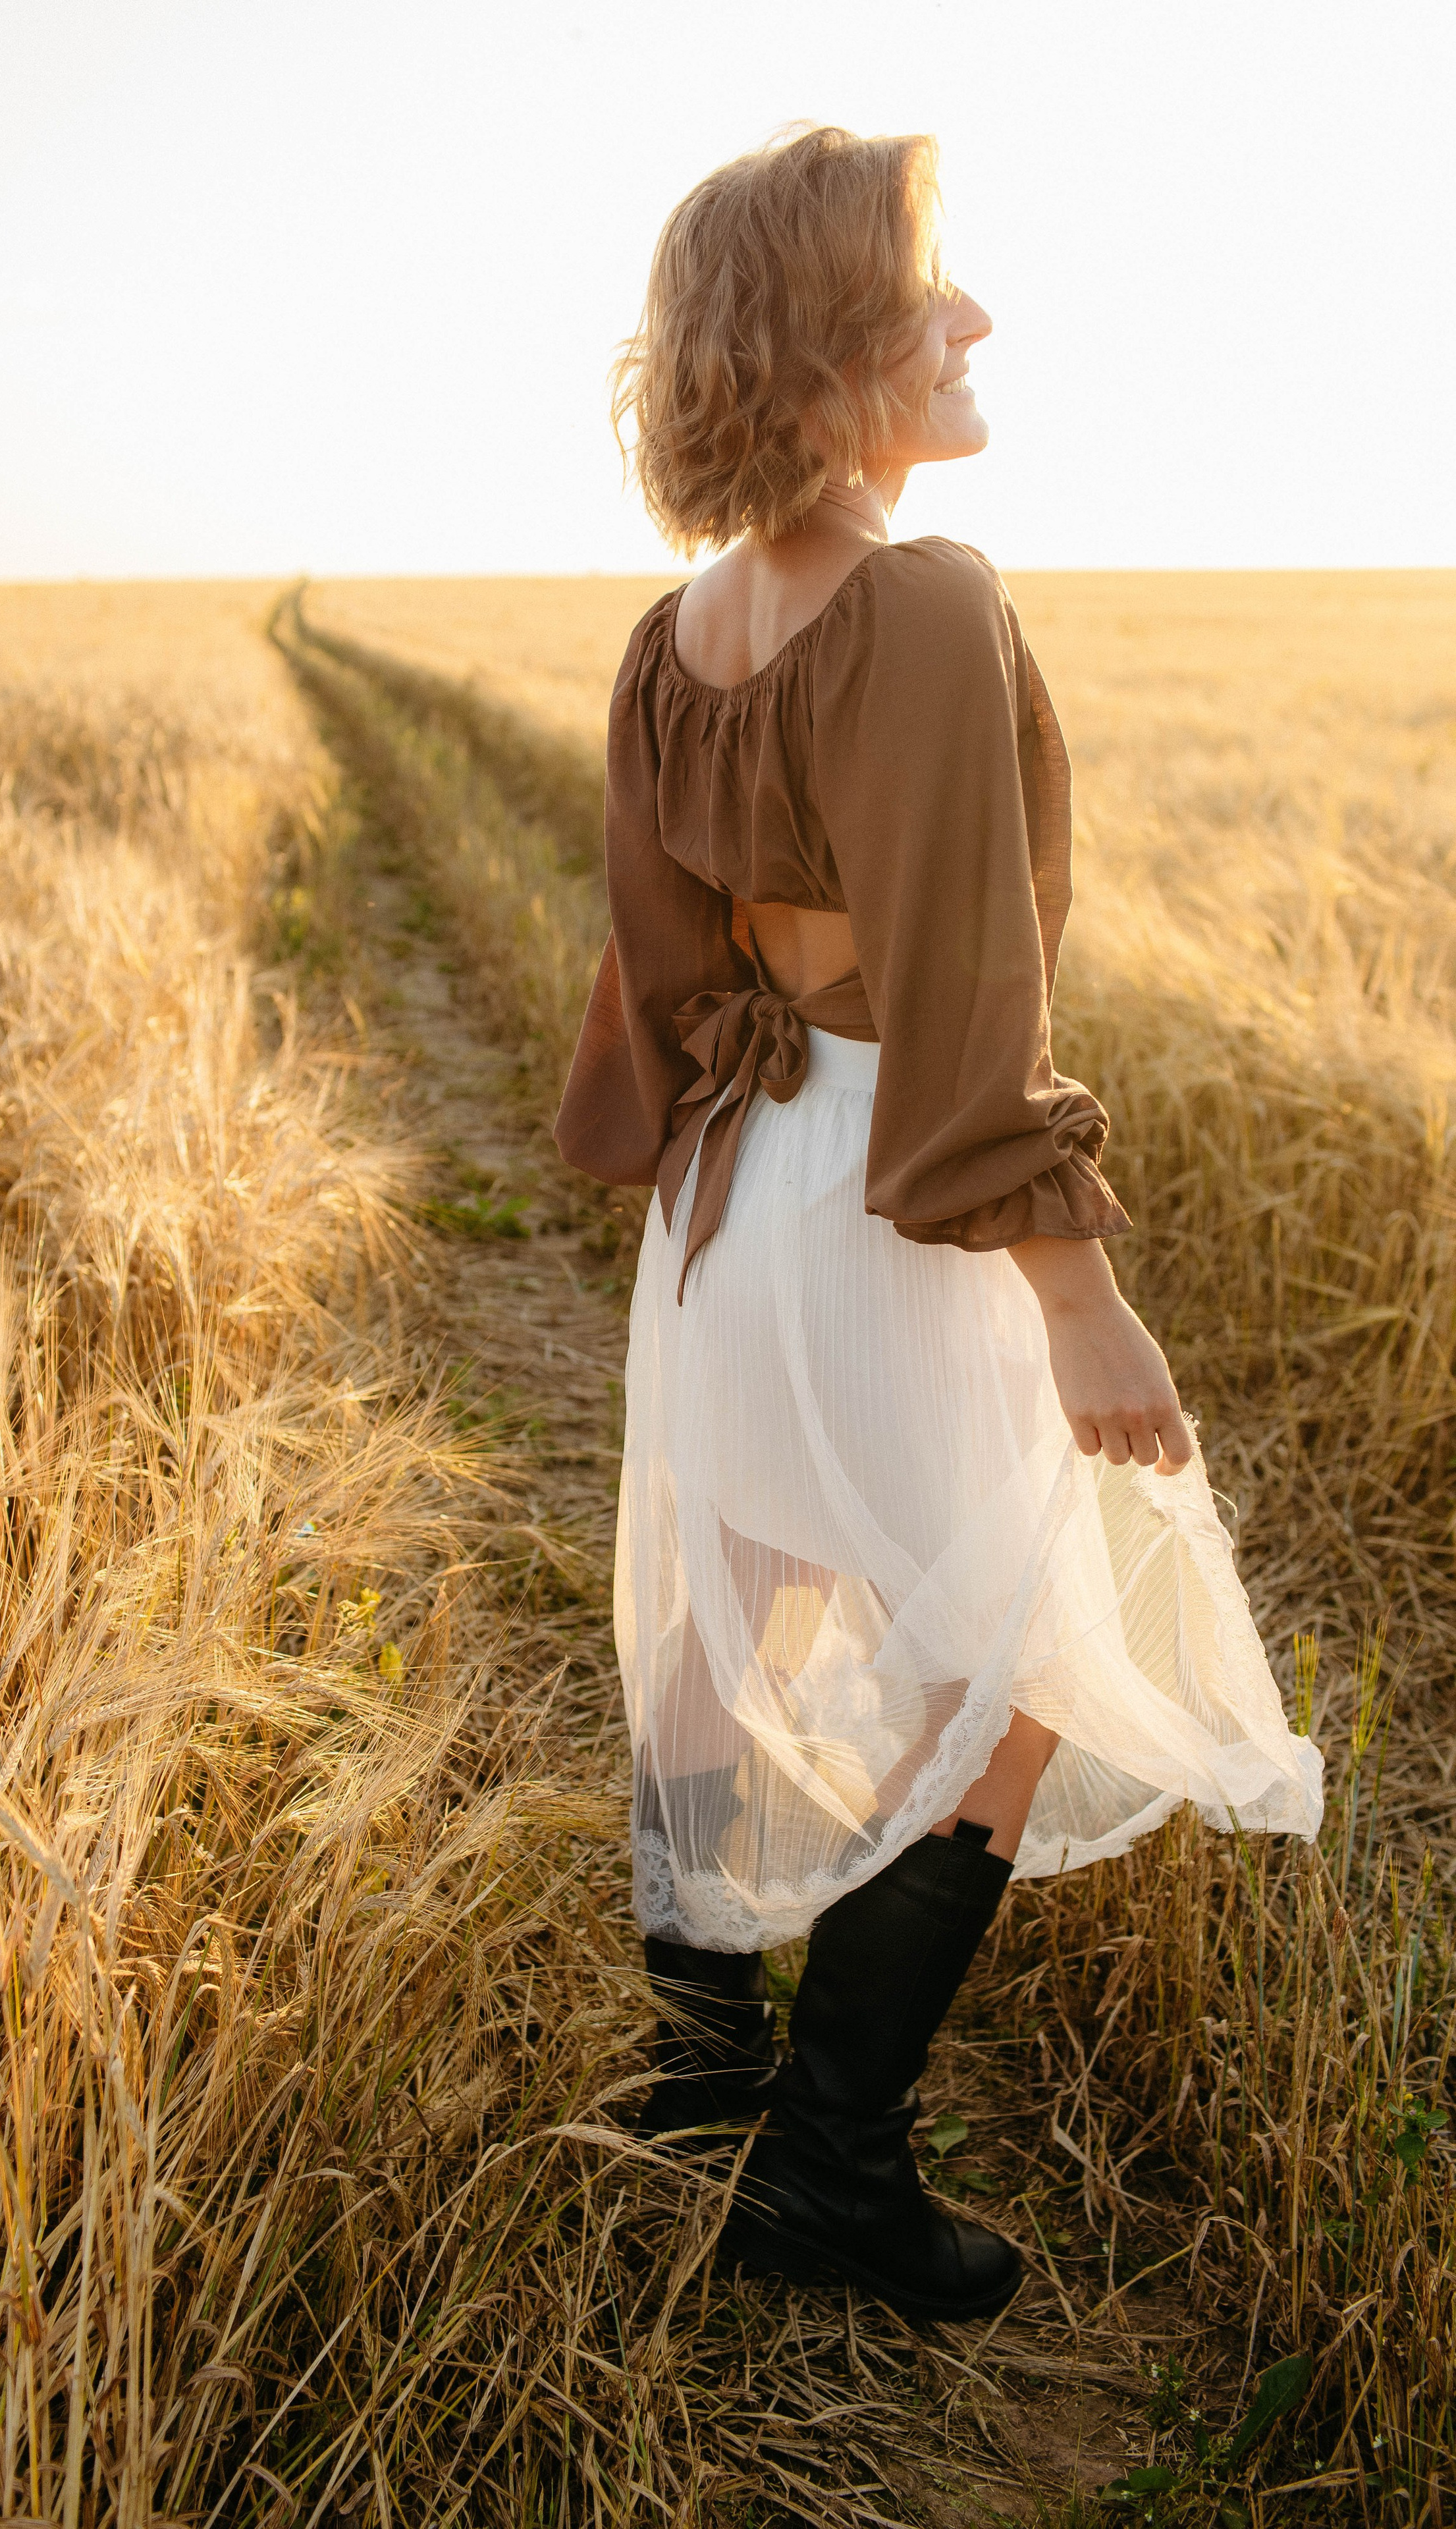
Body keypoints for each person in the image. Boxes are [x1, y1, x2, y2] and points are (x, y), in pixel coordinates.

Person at [554, 125, 1322, 2323]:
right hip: (903, 1181)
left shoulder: (668, 638)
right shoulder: (926, 597)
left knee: (738, 1606)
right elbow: (970, 999)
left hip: (733, 1191)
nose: (973, 321)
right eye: (926, 293)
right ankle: (828, 2170)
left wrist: (735, 1162)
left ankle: (696, 2091)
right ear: (812, 351)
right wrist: (1080, 1294)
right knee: (1004, 1668)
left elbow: (670, 979)